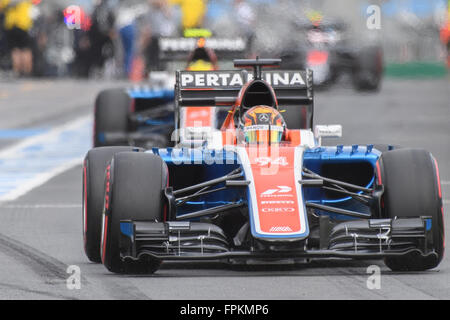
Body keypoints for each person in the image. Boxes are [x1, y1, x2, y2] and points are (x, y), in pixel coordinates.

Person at [0, 0, 33, 76]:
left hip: (11, 24)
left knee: (15, 50)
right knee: (25, 49)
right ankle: (27, 72)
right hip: (24, 24)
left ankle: (17, 72)